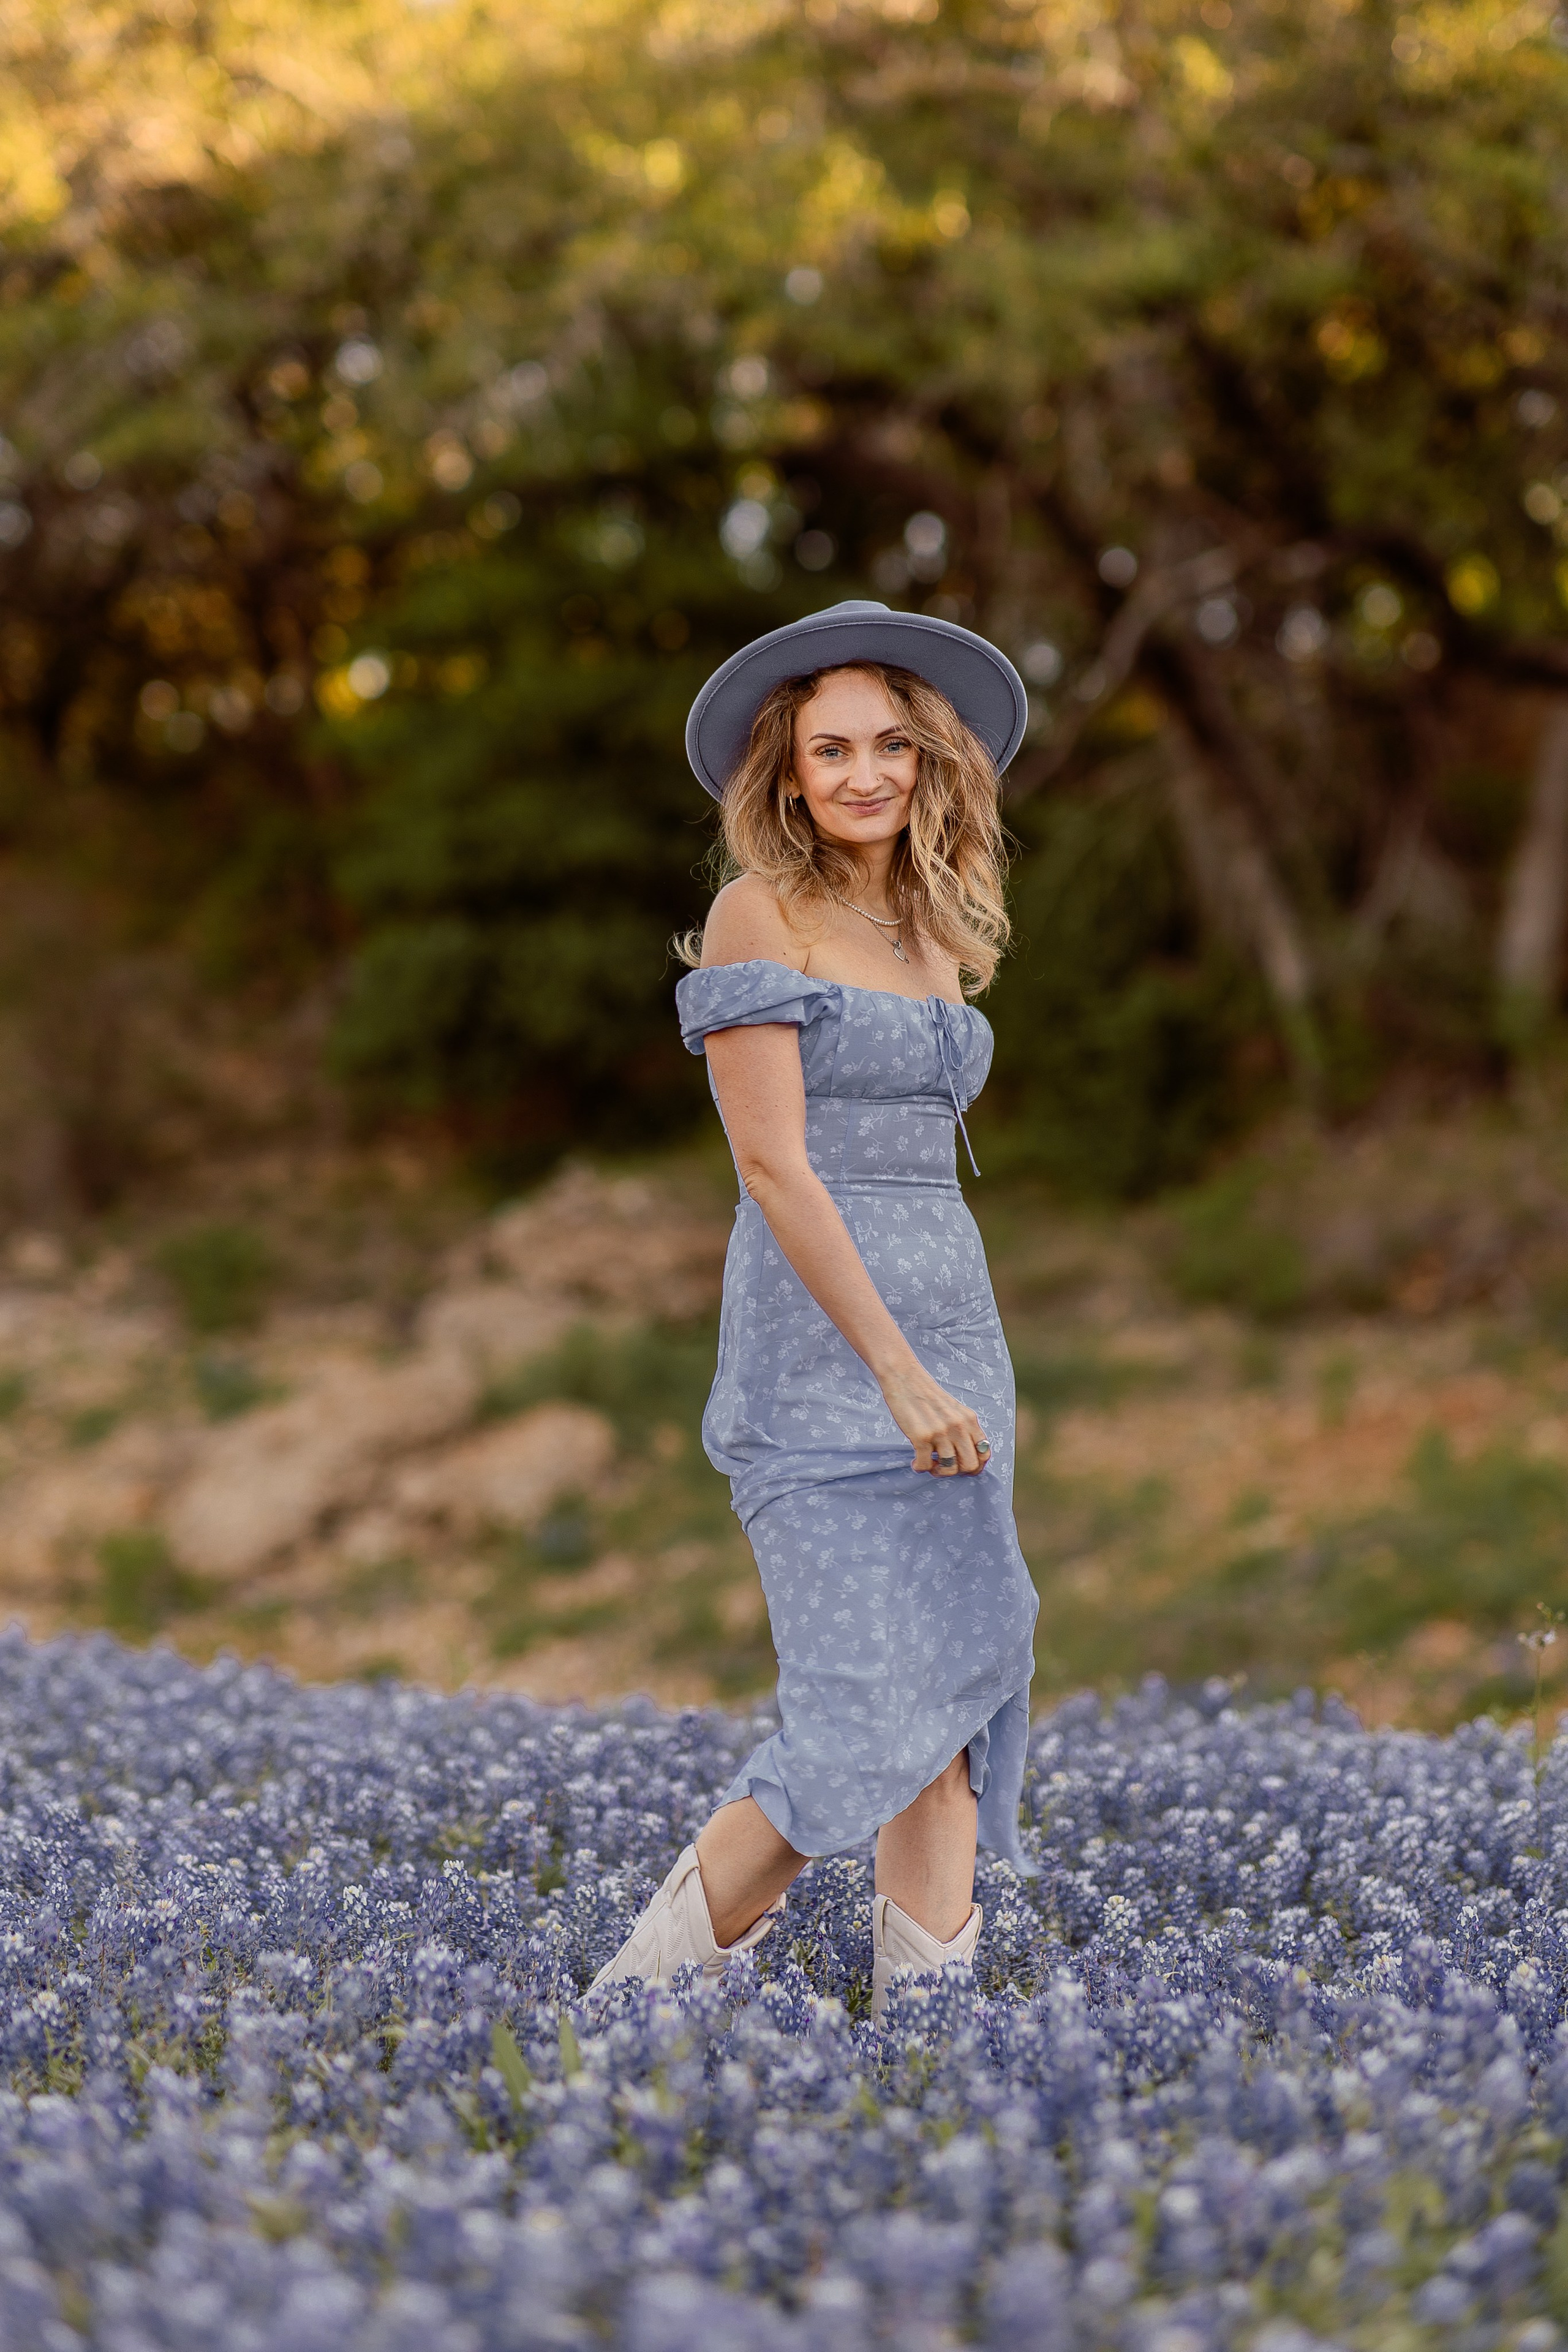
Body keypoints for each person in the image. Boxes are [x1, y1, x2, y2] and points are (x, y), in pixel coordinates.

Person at [593, 600, 1039, 2017]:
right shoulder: (755, 912)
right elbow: (777, 1170)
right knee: (858, 1715)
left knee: (951, 1718)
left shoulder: (933, 924)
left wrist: (938, 1364)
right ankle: (629, 2017)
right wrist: (895, 1373)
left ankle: (931, 2055)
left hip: (957, 1334)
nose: (862, 774)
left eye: (889, 746)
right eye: (829, 750)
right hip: (823, 1357)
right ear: (785, 774)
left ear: (928, 761)